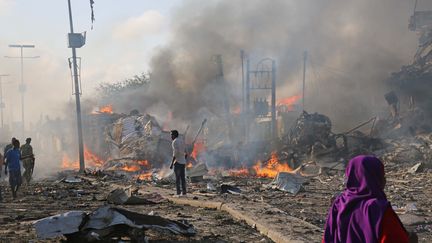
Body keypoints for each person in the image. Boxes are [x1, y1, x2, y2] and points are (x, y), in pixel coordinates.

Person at [323, 155, 417, 243]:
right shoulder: (378, 209)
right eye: (382, 176)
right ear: (376, 179)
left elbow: (327, 238)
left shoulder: (339, 203)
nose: (385, 180)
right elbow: (394, 239)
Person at [170, 130, 187, 196]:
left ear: (174, 135)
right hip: (183, 162)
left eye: (171, 135)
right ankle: (184, 193)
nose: (171, 136)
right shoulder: (182, 141)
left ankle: (178, 193)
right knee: (183, 178)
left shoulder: (174, 142)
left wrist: (172, 163)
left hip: (177, 162)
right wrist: (183, 159)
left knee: (177, 179)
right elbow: (186, 153)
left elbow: (175, 153)